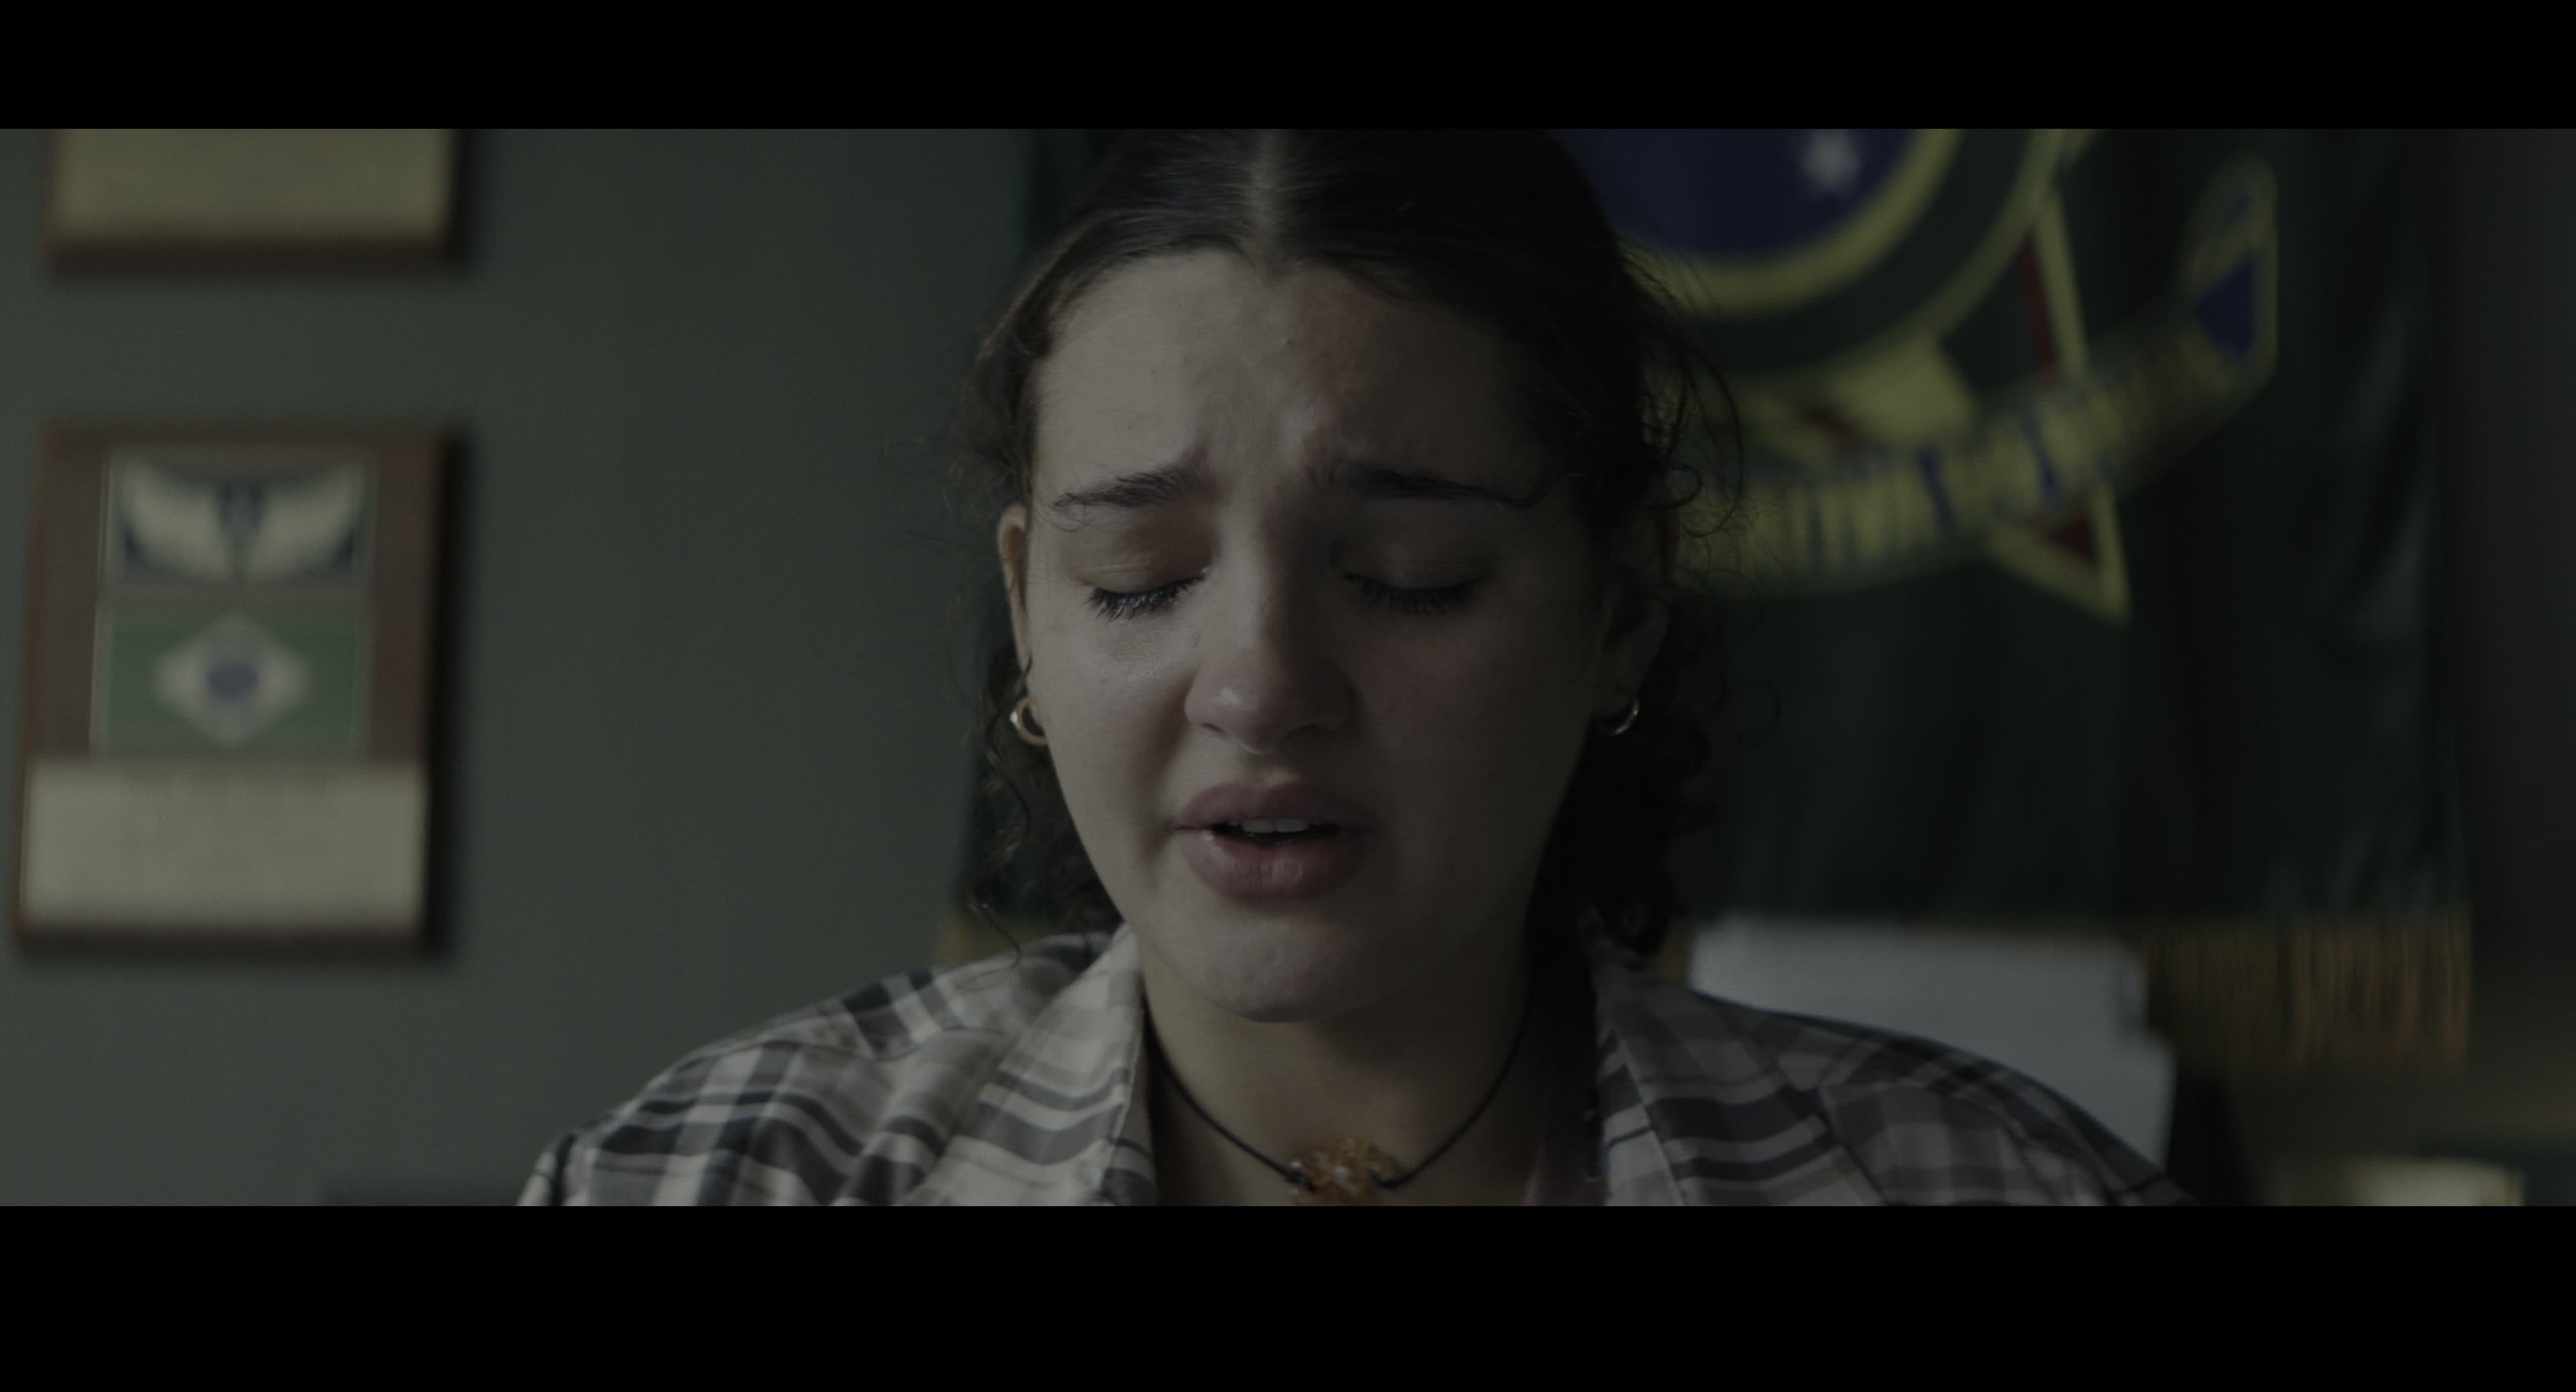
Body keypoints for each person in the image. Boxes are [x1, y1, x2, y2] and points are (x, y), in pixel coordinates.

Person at [520, 129, 2192, 1206]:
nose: (1258, 688)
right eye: (1141, 582)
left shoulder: (1994, 1184)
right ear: (1027, 609)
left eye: (1409, 578)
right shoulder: (713, 1180)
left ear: (1620, 604)